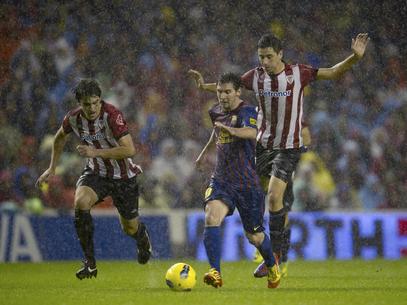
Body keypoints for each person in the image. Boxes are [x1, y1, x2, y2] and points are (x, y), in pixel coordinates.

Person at [189, 32, 369, 282]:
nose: (265, 61)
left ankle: (274, 255)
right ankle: (264, 245)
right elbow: (231, 90)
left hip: (288, 147)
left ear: (280, 54)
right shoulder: (256, 76)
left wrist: (354, 58)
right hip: (263, 146)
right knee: (259, 195)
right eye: (261, 57)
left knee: (274, 196)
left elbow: (332, 72)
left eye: (269, 57)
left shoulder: (298, 73)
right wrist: (204, 87)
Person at [36, 79, 152, 280]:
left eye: (95, 102)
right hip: (96, 173)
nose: (92, 108)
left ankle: (142, 238)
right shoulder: (73, 118)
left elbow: (130, 149)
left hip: (123, 177)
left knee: (129, 228)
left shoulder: (112, 115)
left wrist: (94, 151)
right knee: (81, 202)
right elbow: (59, 138)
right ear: (80, 103)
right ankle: (90, 263)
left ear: (101, 100)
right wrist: (52, 168)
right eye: (87, 104)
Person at [195, 72, 280, 289]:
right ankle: (215, 272)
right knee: (211, 216)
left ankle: (272, 265)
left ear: (238, 92)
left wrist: (231, 129)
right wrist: (204, 153)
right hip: (222, 180)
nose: (222, 96)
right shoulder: (215, 111)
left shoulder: (247, 111)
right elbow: (216, 133)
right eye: (219, 91)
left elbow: (252, 132)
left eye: (227, 92)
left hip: (247, 184)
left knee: (255, 237)